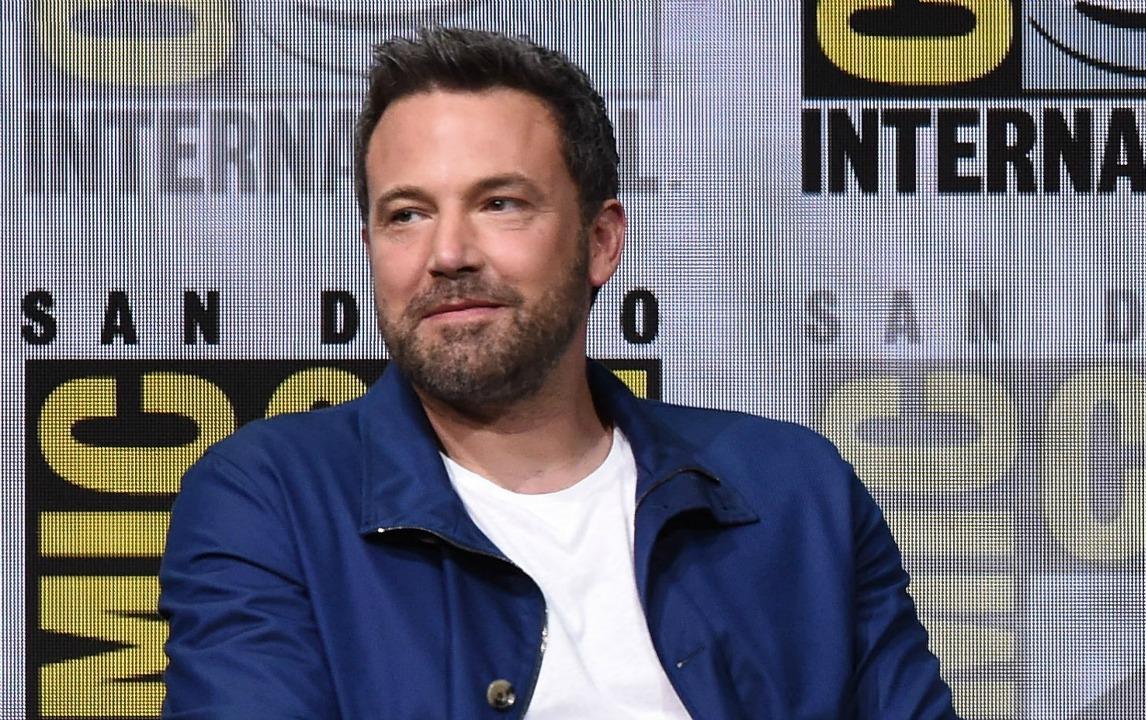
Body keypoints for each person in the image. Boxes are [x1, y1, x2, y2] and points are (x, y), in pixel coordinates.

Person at [158, 26, 958, 719]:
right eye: (407, 214)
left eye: (499, 204)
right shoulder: (273, 499)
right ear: (370, 249)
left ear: (601, 242)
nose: (447, 254)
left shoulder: (796, 493)